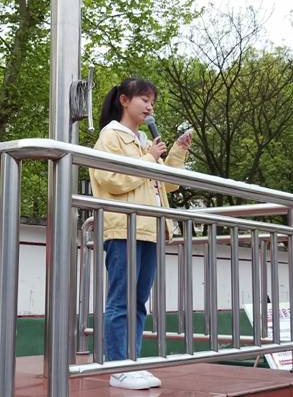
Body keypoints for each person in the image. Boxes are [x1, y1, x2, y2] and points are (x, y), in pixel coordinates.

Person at [89, 78, 192, 390]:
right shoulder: (111, 135)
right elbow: (110, 179)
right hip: (124, 226)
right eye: (144, 100)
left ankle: (131, 362)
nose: (149, 107)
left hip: (151, 228)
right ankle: (118, 365)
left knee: (138, 301)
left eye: (152, 102)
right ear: (124, 100)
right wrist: (149, 158)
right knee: (121, 300)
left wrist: (176, 153)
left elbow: (166, 184)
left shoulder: (145, 141)